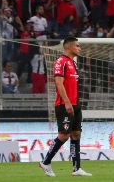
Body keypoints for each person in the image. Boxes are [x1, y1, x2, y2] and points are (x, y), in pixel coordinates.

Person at [39, 36, 91, 177]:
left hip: (75, 104)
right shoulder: (61, 61)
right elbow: (58, 83)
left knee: (76, 134)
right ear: (69, 47)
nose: (80, 48)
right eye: (77, 46)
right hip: (64, 105)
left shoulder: (73, 63)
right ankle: (45, 162)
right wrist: (67, 102)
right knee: (64, 135)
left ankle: (76, 168)